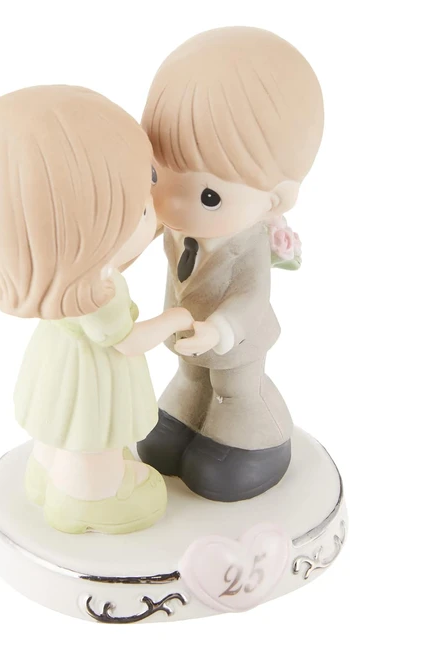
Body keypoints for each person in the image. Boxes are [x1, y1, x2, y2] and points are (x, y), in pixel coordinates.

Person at [0, 85, 193, 533]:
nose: (153, 211)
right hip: (92, 379)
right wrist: (177, 318)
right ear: (89, 235)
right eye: (140, 210)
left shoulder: (63, 278)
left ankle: (46, 471)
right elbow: (128, 342)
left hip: (58, 365)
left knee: (58, 427)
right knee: (91, 434)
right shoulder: (100, 290)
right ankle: (88, 498)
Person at [137, 27, 324, 502]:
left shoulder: (247, 244)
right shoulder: (172, 224)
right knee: (190, 377)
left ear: (274, 200)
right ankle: (187, 410)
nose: (171, 203)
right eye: (157, 173)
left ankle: (257, 438)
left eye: (208, 195)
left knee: (235, 384)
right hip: (187, 338)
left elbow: (250, 296)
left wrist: (219, 330)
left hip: (235, 340)